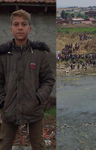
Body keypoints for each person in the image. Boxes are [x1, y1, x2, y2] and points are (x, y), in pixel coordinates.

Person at [0, 9, 55, 150]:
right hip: (9, 110)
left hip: (34, 110)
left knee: (38, 145)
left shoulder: (39, 54)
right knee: (4, 144)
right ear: (11, 29)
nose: (20, 27)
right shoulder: (3, 56)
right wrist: (3, 102)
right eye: (16, 24)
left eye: (23, 24)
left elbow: (48, 80)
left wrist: (37, 98)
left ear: (29, 29)